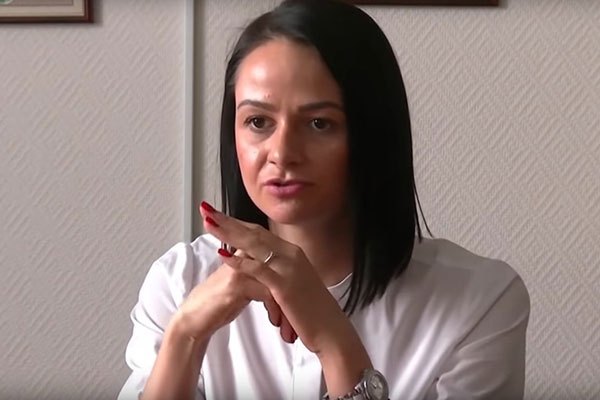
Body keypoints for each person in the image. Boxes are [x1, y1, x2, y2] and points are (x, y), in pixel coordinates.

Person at [117, 0, 530, 399]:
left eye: (319, 123)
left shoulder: (481, 300)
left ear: (374, 134)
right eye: (258, 121)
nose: (282, 153)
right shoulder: (179, 281)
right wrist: (185, 335)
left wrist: (334, 341)